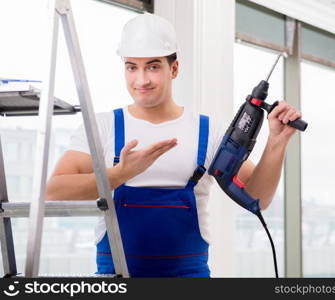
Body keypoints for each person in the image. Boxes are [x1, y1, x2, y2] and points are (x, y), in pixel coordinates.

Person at [46, 12, 302, 278]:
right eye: (132, 66)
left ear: (174, 68)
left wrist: (276, 142)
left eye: (153, 66)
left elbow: (257, 198)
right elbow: (53, 192)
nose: (141, 80)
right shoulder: (102, 127)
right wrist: (120, 174)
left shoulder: (208, 131)